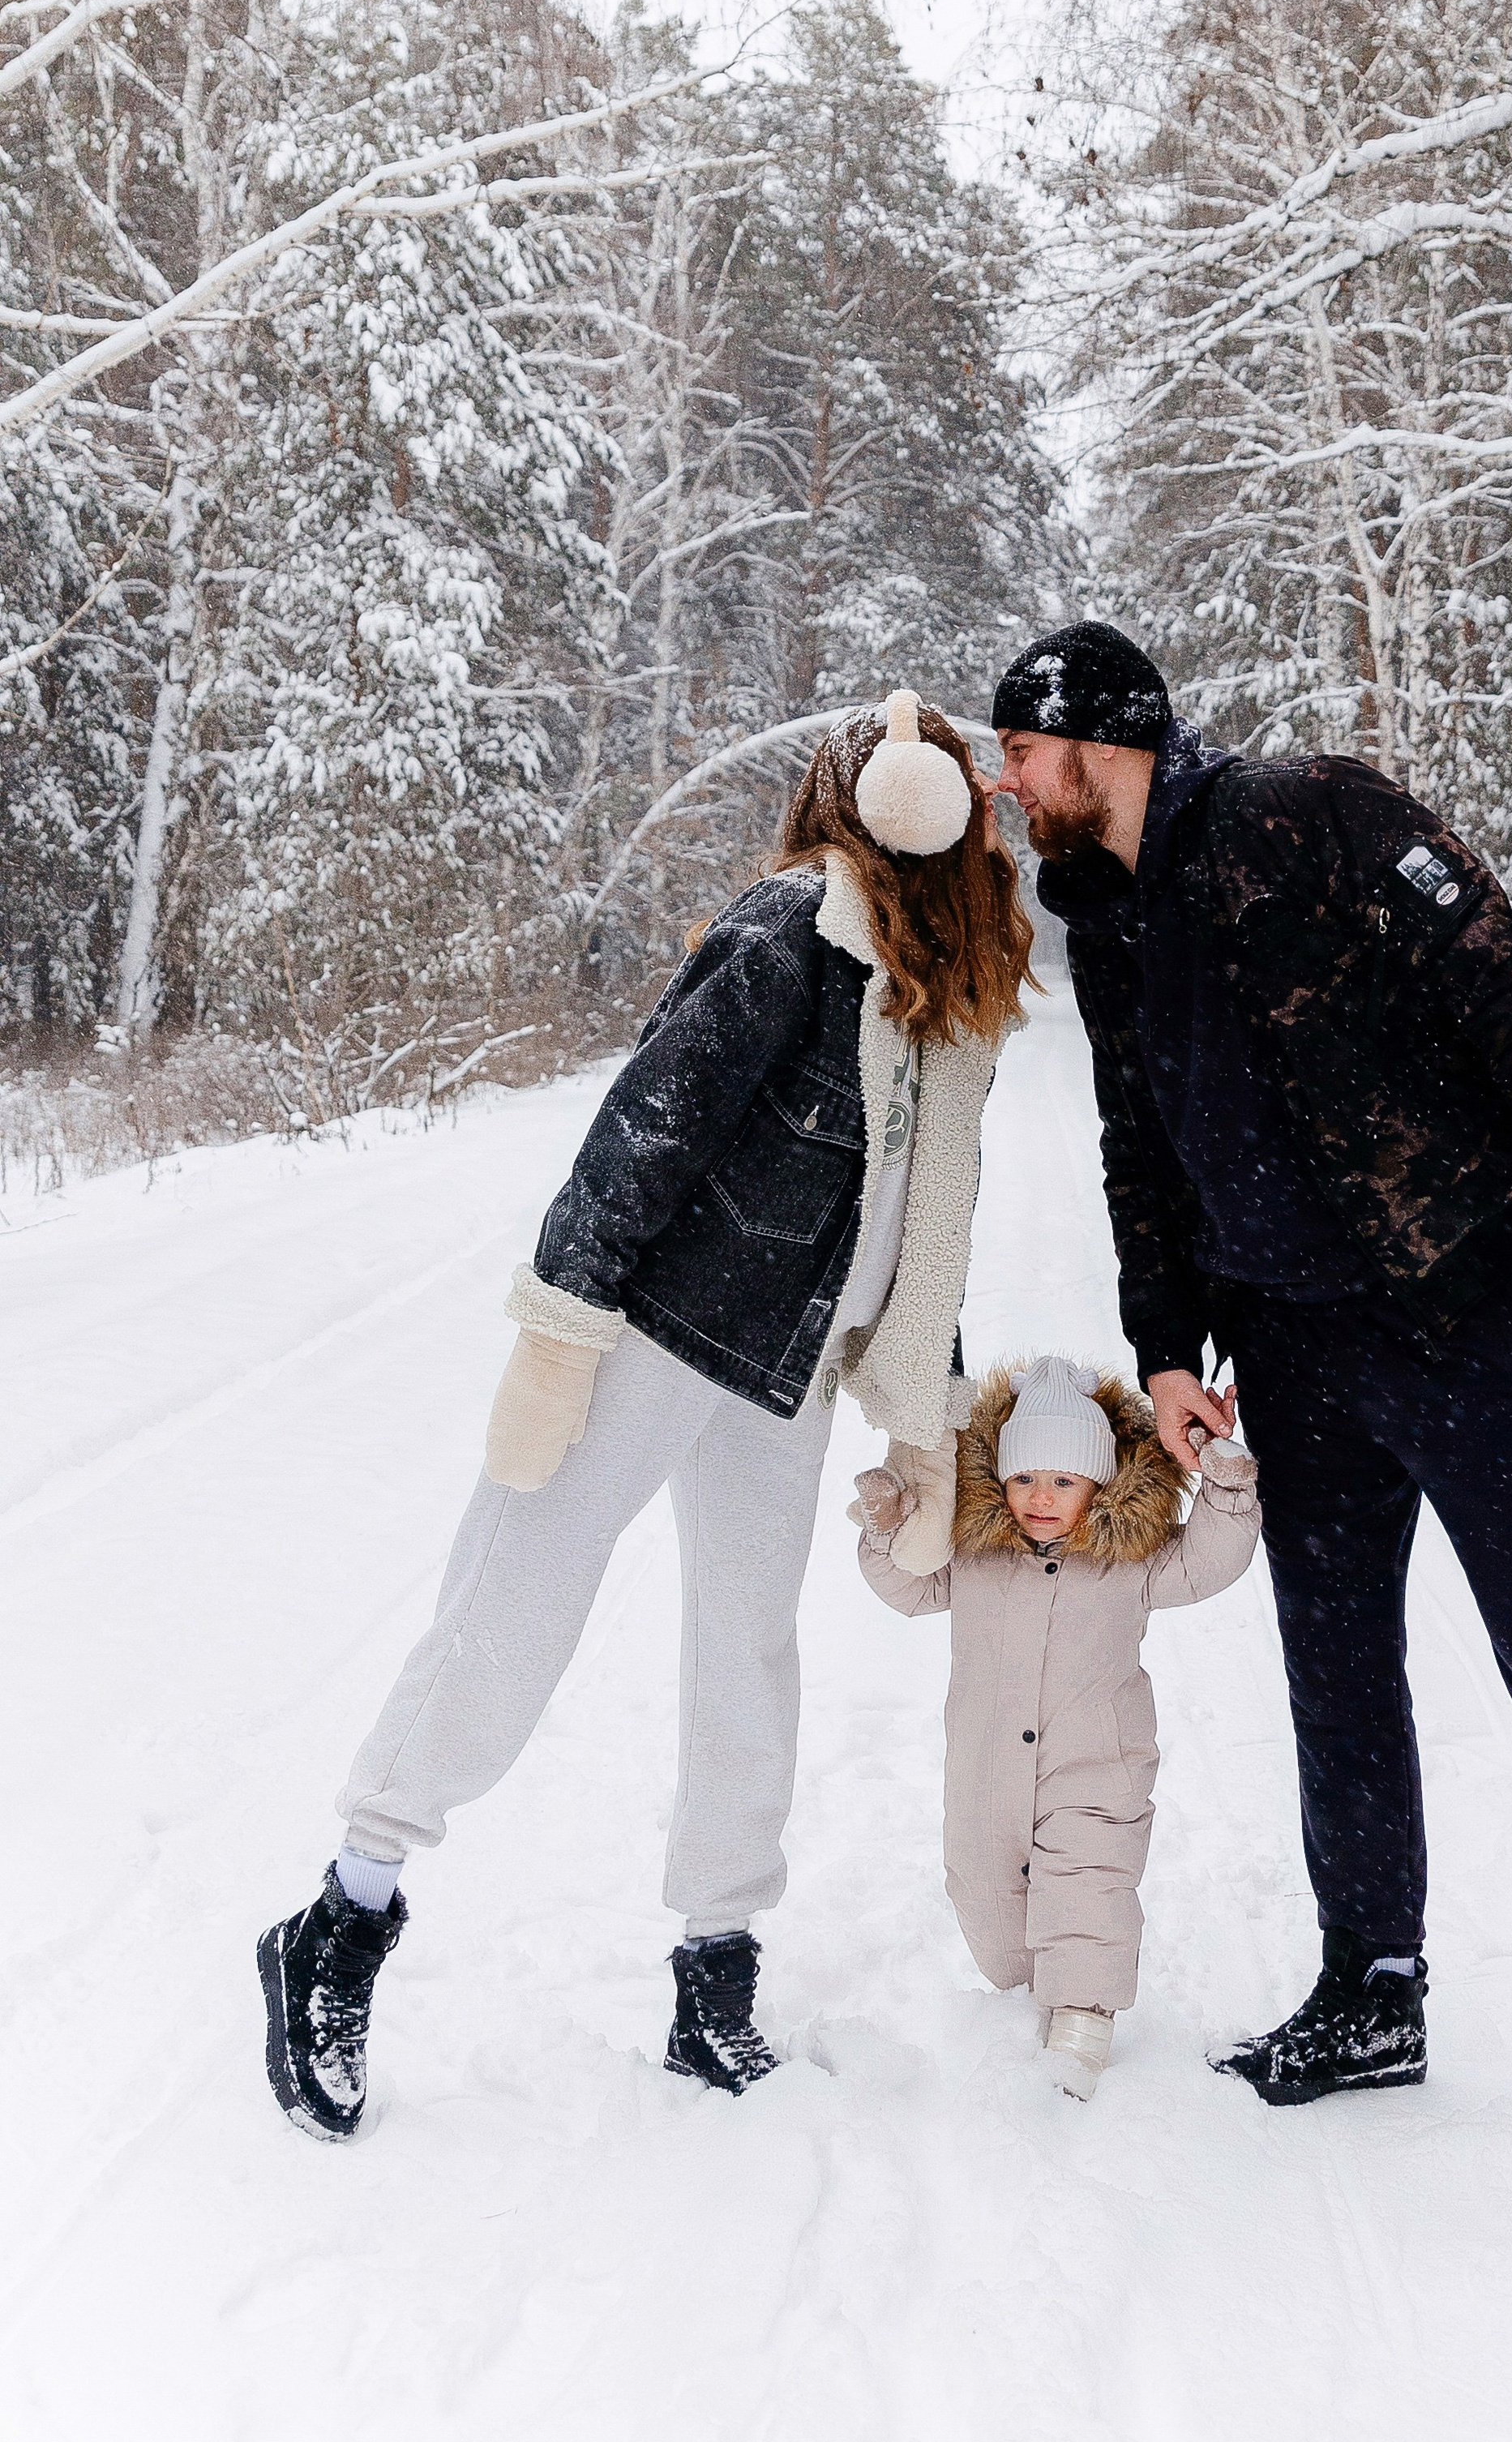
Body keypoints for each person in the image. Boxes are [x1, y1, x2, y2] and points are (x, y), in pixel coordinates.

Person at [989, 621, 1512, 2182]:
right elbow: (1139, 1147)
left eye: (1021, 750)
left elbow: (1503, 973)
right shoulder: (1107, 928)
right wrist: (1168, 1348)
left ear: (1101, 739)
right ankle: (1372, 1991)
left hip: (1465, 1304)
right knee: (1337, 1675)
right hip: (1292, 1346)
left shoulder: (1310, 812)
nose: (1007, 782)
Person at [258, 690, 1027, 2142]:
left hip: (789, 1366)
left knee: (748, 1656)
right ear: (866, 804)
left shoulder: (942, 983)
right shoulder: (793, 929)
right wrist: (564, 1320)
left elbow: (928, 1216)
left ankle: (715, 1973)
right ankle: (341, 1919)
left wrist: (923, 1402)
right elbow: (645, 1126)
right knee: (514, 1604)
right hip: (658, 1331)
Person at [854, 1353, 1260, 2096]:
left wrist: (1225, 1491)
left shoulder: (1131, 1559)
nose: (1041, 1497)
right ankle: (1023, 2000)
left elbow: (1207, 1563)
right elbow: (909, 1587)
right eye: (1024, 1479)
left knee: (1088, 1888)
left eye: (1065, 1481)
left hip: (1096, 1768)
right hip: (985, 1773)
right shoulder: (975, 1552)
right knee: (982, 1891)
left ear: (1100, 1482)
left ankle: (1082, 2020)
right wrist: (889, 1531)